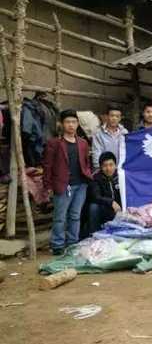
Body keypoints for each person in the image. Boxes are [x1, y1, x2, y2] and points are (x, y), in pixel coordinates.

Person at [42, 109, 93, 255]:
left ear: (77, 124)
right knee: (60, 217)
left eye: (74, 122)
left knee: (75, 215)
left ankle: (72, 244)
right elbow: (47, 165)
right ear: (62, 124)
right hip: (63, 185)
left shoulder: (83, 143)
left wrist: (87, 175)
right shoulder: (55, 143)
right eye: (68, 122)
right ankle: (58, 246)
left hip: (81, 184)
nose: (71, 125)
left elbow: (86, 162)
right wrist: (48, 185)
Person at [87, 152, 122, 234]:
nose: (108, 168)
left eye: (111, 165)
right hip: (105, 209)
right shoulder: (96, 178)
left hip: (120, 210)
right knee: (93, 207)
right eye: (105, 165)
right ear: (100, 167)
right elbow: (96, 196)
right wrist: (111, 202)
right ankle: (94, 234)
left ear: (115, 165)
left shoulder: (121, 175)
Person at [91, 104, 127, 170]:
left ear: (120, 118)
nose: (114, 118)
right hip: (104, 169)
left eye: (117, 116)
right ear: (107, 116)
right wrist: (99, 169)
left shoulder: (124, 132)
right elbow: (96, 153)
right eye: (112, 115)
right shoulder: (98, 133)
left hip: (120, 169)